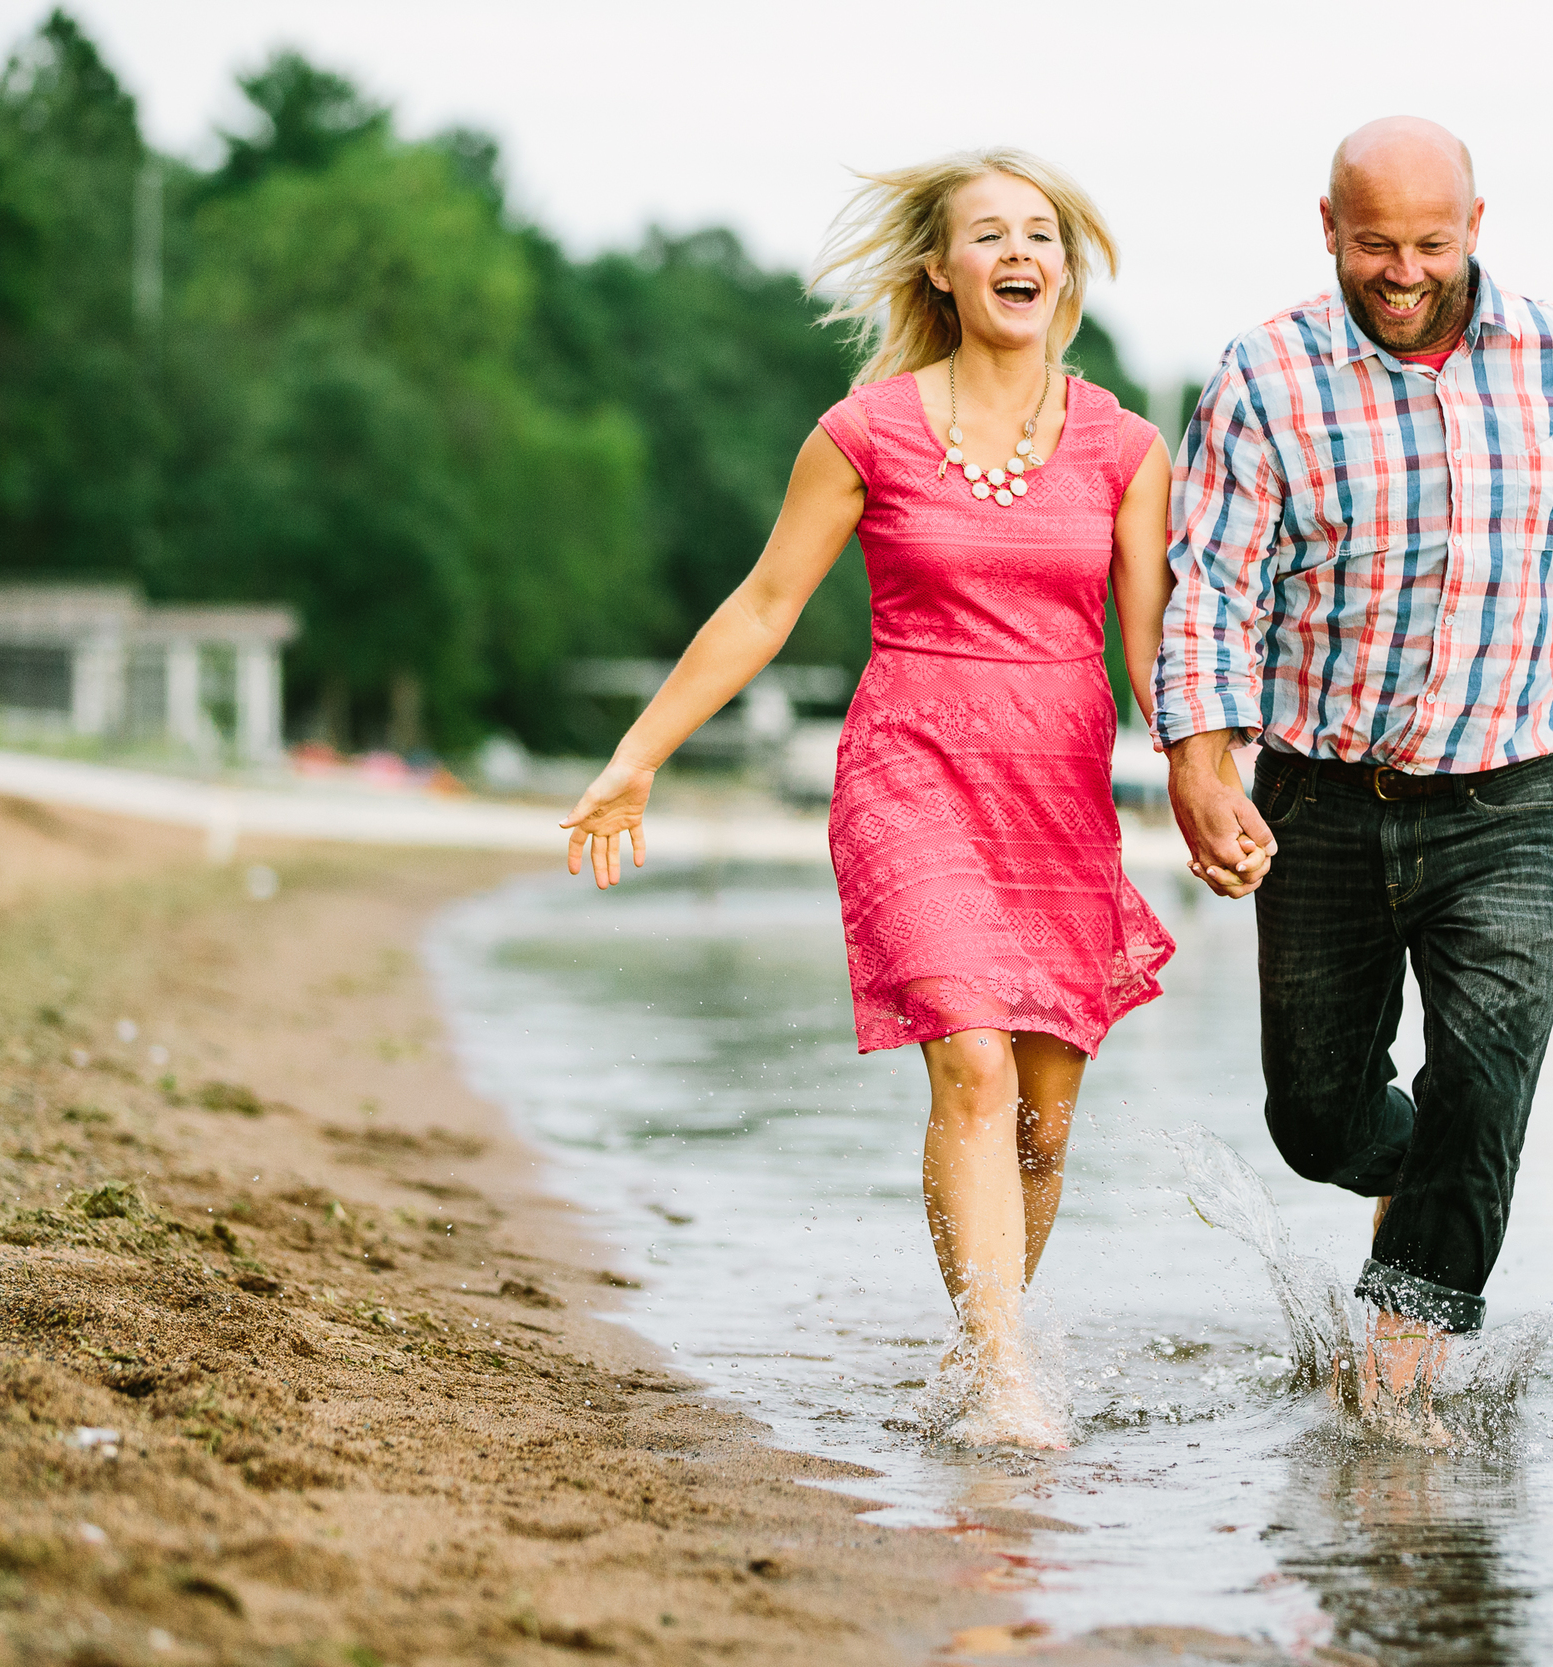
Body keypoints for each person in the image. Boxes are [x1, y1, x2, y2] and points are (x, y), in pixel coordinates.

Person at [559, 148, 1251, 1449]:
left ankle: (980, 1347)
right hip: (910, 776)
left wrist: (1213, 779)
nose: (1018, 253)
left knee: (1043, 1123)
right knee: (975, 1070)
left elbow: (1157, 655)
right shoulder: (866, 431)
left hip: (1055, 798)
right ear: (939, 267)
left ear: (1066, 265)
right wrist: (638, 752)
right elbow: (765, 608)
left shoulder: (1124, 446)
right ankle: (1003, 1378)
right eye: (988, 234)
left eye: (1039, 233)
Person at [1156, 116, 1553, 1425]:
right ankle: (1439, 1182)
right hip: (1319, 794)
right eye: (1373, 243)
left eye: (1430, 243)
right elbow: (1210, 589)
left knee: (1486, 1082)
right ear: (1327, 228)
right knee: (1317, 1123)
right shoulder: (1265, 376)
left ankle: (1397, 1398)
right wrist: (1199, 764)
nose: (1402, 270)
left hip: (1511, 794)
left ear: (1478, 227)